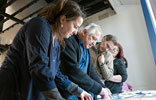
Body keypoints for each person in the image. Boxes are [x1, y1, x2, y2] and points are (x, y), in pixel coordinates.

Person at [0, 0, 93, 100]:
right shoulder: (39, 25)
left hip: (31, 91)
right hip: (15, 89)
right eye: (75, 26)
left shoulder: (56, 44)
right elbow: (39, 66)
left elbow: (56, 74)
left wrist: (78, 91)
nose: (75, 32)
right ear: (63, 19)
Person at [59, 23, 112, 100]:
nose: (94, 43)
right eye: (93, 38)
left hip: (83, 92)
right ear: (84, 32)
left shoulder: (86, 47)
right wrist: (99, 89)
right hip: (70, 92)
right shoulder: (69, 41)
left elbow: (91, 71)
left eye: (96, 40)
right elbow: (73, 71)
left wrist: (103, 87)